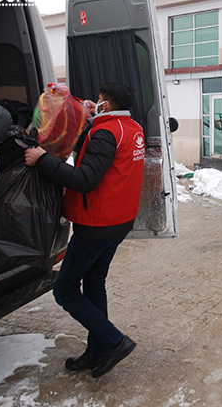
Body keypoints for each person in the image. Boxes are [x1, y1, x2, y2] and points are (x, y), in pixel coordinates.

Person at [24, 82, 144, 378]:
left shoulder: (105, 133)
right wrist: (88, 117)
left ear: (108, 104)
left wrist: (42, 160)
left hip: (96, 226)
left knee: (65, 290)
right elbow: (95, 153)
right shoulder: (131, 128)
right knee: (93, 285)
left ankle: (115, 341)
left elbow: (84, 179)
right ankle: (97, 351)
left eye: (100, 100)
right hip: (118, 222)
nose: (96, 103)